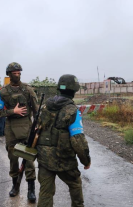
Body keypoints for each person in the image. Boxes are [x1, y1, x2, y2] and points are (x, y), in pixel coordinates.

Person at [35, 74, 91, 207]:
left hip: (44, 158)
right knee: (75, 184)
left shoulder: (45, 107)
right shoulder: (73, 112)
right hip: (64, 160)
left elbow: (38, 129)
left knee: (45, 193)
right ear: (74, 90)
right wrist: (86, 160)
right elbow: (78, 141)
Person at [0, 62, 39, 202]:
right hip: (11, 128)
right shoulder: (3, 92)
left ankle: (31, 189)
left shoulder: (28, 89)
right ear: (9, 74)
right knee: (13, 158)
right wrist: (13, 111)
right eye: (14, 72)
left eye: (19, 72)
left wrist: (38, 125)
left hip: (27, 126)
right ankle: (15, 186)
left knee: (28, 158)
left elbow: (36, 109)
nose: (17, 74)